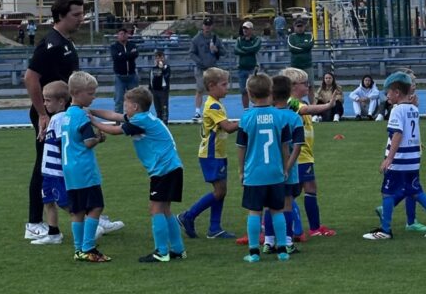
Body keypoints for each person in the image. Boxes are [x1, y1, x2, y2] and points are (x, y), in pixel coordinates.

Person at [23, 0, 123, 242]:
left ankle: (91, 214)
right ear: (60, 16)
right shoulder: (50, 44)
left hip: (66, 114)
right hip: (51, 116)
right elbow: (30, 78)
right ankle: (34, 222)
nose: (81, 19)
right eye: (76, 15)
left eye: (82, 14)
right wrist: (43, 114)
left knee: (72, 165)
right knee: (45, 167)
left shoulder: (66, 42)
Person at [89, 86, 187, 263]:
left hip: (164, 170)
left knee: (155, 209)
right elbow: (113, 116)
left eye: (126, 104)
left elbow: (115, 130)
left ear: (134, 106)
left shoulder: (140, 121)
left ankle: (162, 252)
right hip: (171, 168)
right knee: (165, 210)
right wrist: (90, 111)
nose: (123, 108)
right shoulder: (141, 117)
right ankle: (178, 249)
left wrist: (93, 122)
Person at [363, 72, 426, 240]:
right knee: (415, 190)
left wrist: (389, 158)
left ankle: (385, 230)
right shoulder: (413, 108)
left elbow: (397, 134)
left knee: (387, 192)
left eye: (388, 92)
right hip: (413, 159)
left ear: (396, 92)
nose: (386, 95)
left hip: (399, 160)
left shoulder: (397, 110)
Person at [177, 67, 239, 240]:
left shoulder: (216, 103)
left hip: (218, 154)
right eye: (224, 84)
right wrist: (248, 119)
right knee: (219, 191)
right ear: (212, 86)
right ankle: (188, 216)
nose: (227, 87)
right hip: (211, 155)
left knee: (222, 190)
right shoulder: (212, 104)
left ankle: (215, 228)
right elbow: (227, 127)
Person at [235, 73, 292, 262]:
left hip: (254, 173)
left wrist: (241, 170)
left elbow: (241, 148)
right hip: (275, 172)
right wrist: (285, 167)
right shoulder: (280, 116)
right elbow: (285, 146)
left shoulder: (246, 118)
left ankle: (253, 252)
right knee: (277, 210)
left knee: (254, 212)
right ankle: (283, 250)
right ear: (271, 92)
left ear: (249, 94)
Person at [282, 67, 337, 239]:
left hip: (305, 154)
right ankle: (313, 228)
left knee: (295, 192)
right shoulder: (291, 102)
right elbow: (306, 111)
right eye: (304, 83)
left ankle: (301, 226)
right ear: (292, 86)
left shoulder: (299, 102)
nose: (308, 86)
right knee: (301, 190)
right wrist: (328, 105)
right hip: (300, 156)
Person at [62, 71, 111, 262]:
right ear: (77, 92)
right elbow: (88, 142)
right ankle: (89, 247)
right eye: (90, 93)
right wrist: (99, 137)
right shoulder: (82, 116)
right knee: (96, 206)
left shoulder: (66, 115)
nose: (93, 97)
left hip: (69, 168)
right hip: (83, 168)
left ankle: (78, 249)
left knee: (78, 210)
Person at [266, 75, 307, 254]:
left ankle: (268, 241)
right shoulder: (294, 118)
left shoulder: (269, 115)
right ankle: (287, 241)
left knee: (269, 205)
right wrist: (288, 168)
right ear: (290, 92)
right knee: (287, 205)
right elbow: (297, 147)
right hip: (289, 170)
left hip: (270, 167)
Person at [29, 80, 70, 246]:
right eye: (44, 100)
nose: (44, 104)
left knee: (64, 203)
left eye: (47, 100)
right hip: (47, 170)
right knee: (48, 201)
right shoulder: (53, 119)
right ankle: (53, 233)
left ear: (61, 101)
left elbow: (62, 142)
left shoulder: (61, 119)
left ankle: (90, 222)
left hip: (56, 171)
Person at [190, 18, 221, 121]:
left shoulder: (216, 38)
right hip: (201, 69)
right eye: (205, 25)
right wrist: (199, 62)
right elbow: (192, 53)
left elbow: (223, 52)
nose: (207, 27)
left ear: (212, 26)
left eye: (209, 25)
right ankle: (197, 112)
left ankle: (213, 111)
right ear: (203, 26)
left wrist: (216, 50)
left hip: (212, 68)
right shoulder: (196, 39)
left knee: (213, 90)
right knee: (200, 89)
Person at [109, 24, 139, 114]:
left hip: (132, 76)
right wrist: (129, 55)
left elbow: (135, 54)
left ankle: (134, 119)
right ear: (118, 36)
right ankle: (118, 121)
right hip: (120, 77)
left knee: (135, 99)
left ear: (127, 35)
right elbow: (116, 57)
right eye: (120, 34)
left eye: (124, 34)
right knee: (118, 100)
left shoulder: (132, 45)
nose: (122, 35)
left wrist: (122, 55)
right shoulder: (114, 47)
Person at [234, 20, 262, 109]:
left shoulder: (256, 39)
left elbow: (254, 48)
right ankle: (246, 109)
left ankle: (256, 107)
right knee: (243, 91)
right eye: (244, 28)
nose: (245, 30)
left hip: (253, 68)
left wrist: (243, 49)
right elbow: (236, 50)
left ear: (251, 29)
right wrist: (248, 50)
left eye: (247, 28)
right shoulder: (239, 40)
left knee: (254, 90)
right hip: (242, 68)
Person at [287, 18, 315, 100]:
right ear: (294, 27)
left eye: (301, 26)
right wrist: (304, 47)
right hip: (295, 66)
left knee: (310, 86)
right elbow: (292, 48)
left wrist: (299, 46)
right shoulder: (291, 37)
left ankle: (312, 107)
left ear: (304, 26)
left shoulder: (309, 35)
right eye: (298, 26)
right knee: (294, 87)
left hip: (307, 65)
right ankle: (296, 106)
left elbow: (310, 45)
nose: (300, 28)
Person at [149, 50, 171, 123]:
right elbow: (151, 79)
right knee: (157, 107)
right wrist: (150, 88)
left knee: (164, 106)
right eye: (157, 58)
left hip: (163, 90)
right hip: (155, 90)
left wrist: (161, 68)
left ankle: (165, 121)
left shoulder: (166, 67)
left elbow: (166, 76)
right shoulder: (153, 68)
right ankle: (159, 120)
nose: (159, 60)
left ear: (164, 58)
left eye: (161, 58)